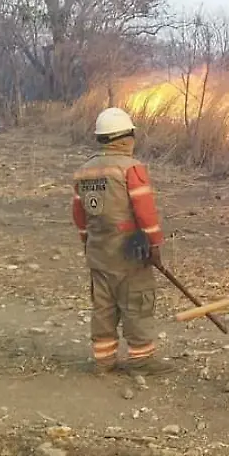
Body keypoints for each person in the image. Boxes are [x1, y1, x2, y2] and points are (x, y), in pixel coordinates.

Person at [71, 107, 174, 377]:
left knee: (103, 306)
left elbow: (79, 215)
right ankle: (141, 359)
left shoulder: (83, 172)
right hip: (130, 252)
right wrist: (154, 244)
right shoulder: (131, 168)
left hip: (99, 251)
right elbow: (145, 210)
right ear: (126, 138)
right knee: (136, 302)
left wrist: (87, 242)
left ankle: (103, 361)